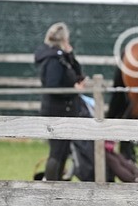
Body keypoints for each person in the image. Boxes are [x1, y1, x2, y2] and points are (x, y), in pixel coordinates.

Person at [33, 22, 94, 182]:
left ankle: (56, 181)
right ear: (63, 38)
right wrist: (73, 90)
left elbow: (77, 72)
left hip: (65, 110)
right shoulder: (53, 60)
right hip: (57, 110)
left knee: (62, 150)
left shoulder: (61, 57)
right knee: (57, 152)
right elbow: (53, 87)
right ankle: (51, 183)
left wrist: (70, 54)